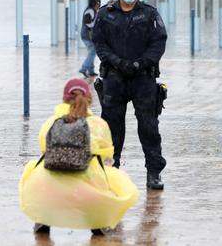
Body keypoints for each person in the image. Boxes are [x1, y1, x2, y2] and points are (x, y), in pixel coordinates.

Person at [19, 78, 139, 235]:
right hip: (88, 192)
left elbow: (44, 149)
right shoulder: (98, 124)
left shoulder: (51, 122)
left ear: (64, 99)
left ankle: (43, 217)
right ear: (89, 99)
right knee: (111, 173)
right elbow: (108, 158)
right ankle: (98, 219)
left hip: (50, 190)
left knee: (35, 167)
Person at [92, 0, 168, 190]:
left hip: (142, 78)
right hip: (114, 79)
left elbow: (159, 43)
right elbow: (99, 44)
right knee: (112, 129)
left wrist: (141, 63)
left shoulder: (149, 14)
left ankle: (154, 173)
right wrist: (118, 62)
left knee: (149, 127)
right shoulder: (106, 14)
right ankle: (109, 171)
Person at [79, 0, 101, 78]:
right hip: (87, 35)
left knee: (91, 52)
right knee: (92, 51)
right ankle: (84, 68)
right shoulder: (90, 10)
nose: (99, 5)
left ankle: (91, 70)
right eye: (98, 3)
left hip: (87, 35)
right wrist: (94, 26)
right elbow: (87, 22)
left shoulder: (93, 10)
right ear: (94, 3)